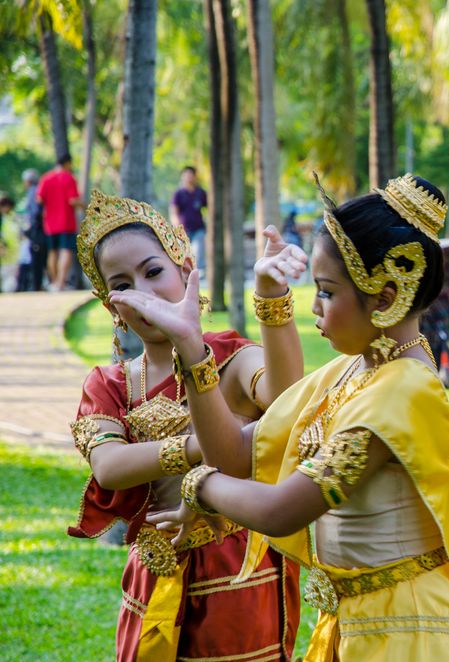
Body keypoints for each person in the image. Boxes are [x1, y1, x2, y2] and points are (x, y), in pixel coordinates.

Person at [133, 174, 449, 661]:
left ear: (386, 297)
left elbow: (283, 509)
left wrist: (197, 485)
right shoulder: (354, 369)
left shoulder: (404, 391)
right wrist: (192, 351)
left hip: (411, 630)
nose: (314, 307)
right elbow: (235, 454)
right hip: (357, 622)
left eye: (326, 291)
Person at [67, 189, 306, 661]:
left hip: (238, 568)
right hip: (153, 573)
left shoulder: (232, 358)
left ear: (183, 265)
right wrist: (212, 445)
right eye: (123, 285)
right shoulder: (112, 383)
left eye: (153, 271)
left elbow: (285, 404)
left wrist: (271, 298)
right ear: (111, 307)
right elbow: (111, 467)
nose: (145, 292)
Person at [36, 153, 83, 291]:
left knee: (52, 252)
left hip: (50, 224)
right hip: (66, 222)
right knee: (66, 251)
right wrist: (86, 206)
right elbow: (72, 200)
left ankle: (55, 282)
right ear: (68, 163)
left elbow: (39, 199)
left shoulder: (46, 178)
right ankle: (61, 283)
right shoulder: (69, 178)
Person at [169, 166, 208, 271]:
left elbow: (210, 208)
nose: (188, 177)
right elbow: (174, 211)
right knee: (184, 256)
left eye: (191, 175)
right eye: (186, 175)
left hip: (198, 229)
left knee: (198, 252)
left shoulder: (200, 193)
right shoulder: (178, 194)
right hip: (184, 231)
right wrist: (177, 228)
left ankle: (198, 275)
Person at [21, 169, 47, 291]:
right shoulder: (35, 190)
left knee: (37, 257)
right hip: (39, 228)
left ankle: (37, 285)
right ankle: (38, 284)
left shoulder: (33, 191)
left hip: (37, 229)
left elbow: (36, 212)